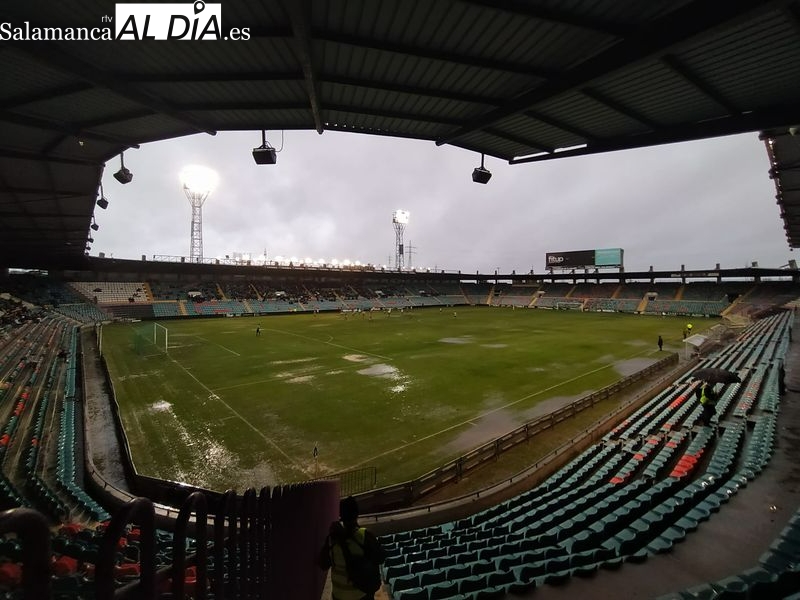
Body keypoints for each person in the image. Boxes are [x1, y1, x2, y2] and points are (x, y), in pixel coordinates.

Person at [319, 496, 385, 600]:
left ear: (341, 516)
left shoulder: (332, 539)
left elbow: (323, 564)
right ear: (357, 514)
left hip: (339, 595)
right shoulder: (365, 535)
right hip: (362, 595)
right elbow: (381, 558)